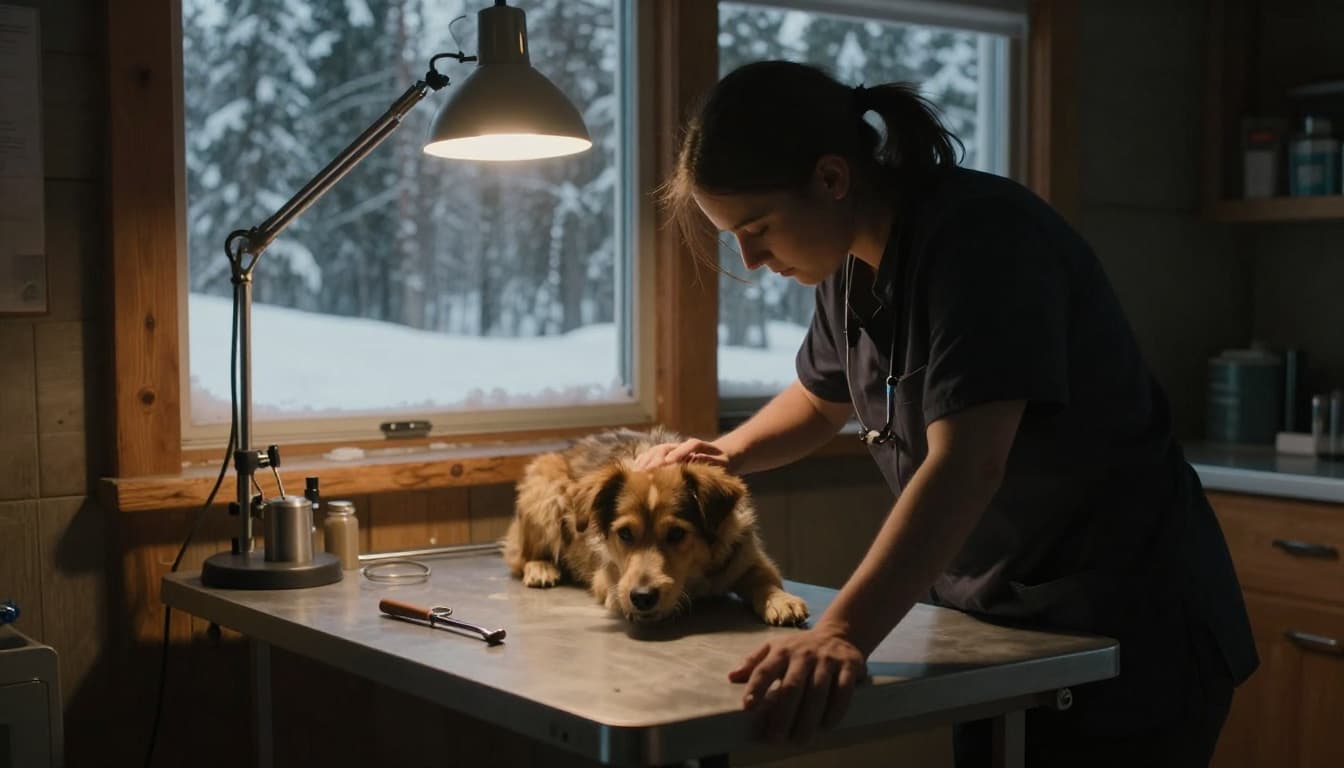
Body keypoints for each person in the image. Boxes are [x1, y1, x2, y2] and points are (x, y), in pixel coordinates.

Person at [633, 60, 1258, 767]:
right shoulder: (848, 270)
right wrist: (729, 452)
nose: (748, 258)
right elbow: (819, 397)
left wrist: (840, 632)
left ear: (832, 179)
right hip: (1001, 616)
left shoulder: (984, 243)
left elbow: (967, 464)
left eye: (758, 227)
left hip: (1127, 622)